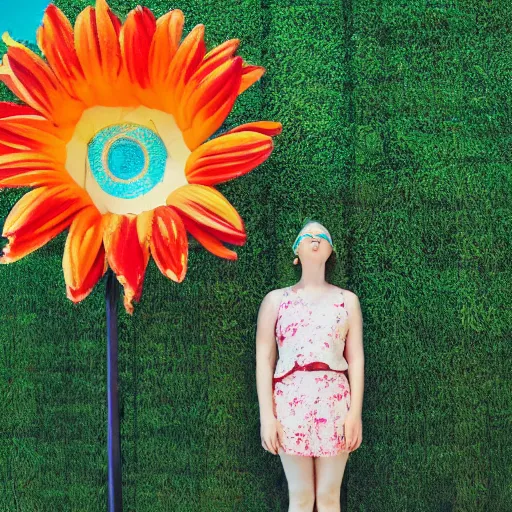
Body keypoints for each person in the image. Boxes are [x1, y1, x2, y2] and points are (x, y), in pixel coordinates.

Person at [256, 219, 364, 512]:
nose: (314, 238)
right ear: (296, 250)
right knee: (301, 496)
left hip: (335, 402)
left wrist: (355, 414)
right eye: (307, 235)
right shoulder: (275, 301)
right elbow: (265, 360)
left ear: (331, 250)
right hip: (289, 402)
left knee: (329, 496)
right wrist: (267, 416)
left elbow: (356, 359)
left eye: (322, 236)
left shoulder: (347, 301)